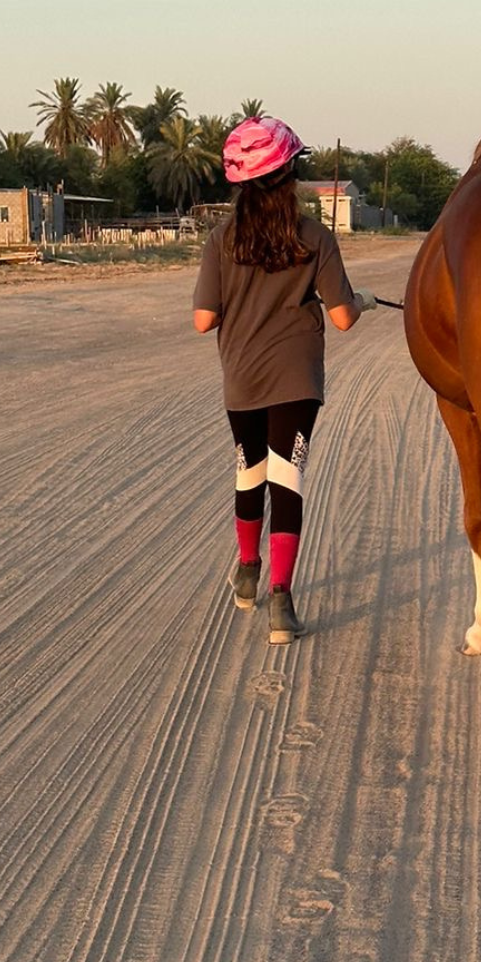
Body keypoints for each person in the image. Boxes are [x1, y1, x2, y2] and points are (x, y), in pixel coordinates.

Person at [193, 115, 377, 644]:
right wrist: (356, 300)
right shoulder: (314, 236)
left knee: (249, 473)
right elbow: (343, 317)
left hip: (243, 379)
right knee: (286, 479)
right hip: (297, 380)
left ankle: (247, 569)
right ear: (288, 176)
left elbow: (203, 320)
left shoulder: (221, 239)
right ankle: (282, 603)